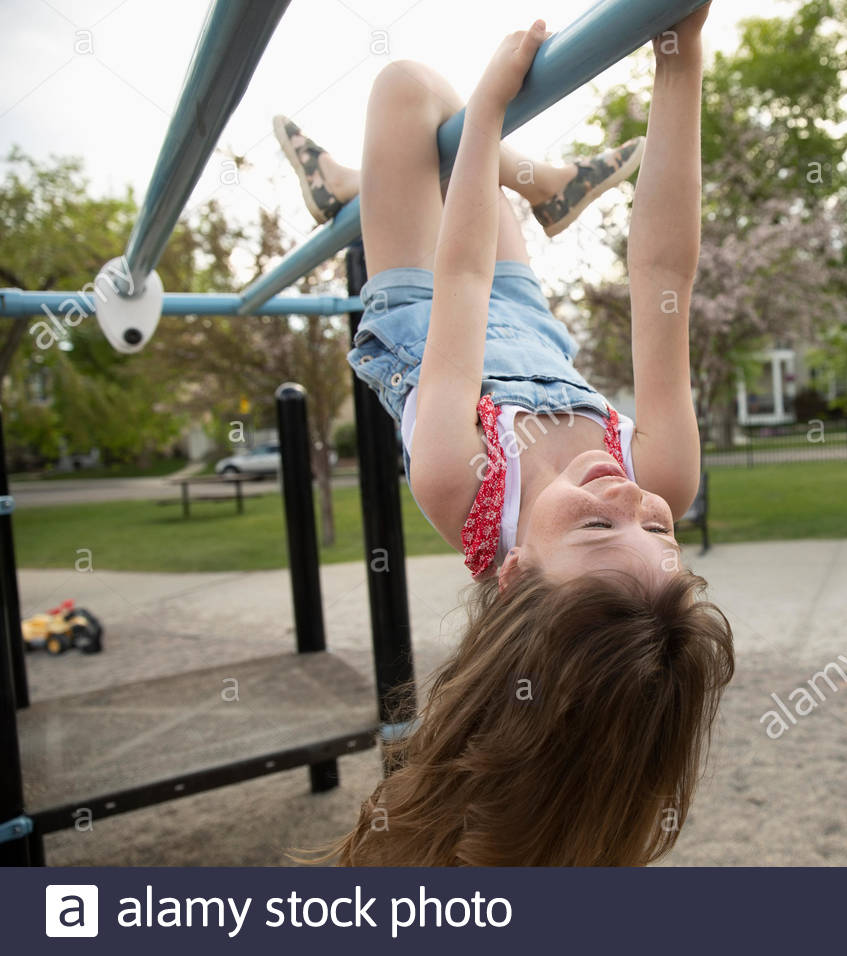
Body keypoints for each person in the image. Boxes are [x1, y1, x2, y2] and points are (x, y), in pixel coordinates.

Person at [292, 7, 734, 866]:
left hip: (425, 304)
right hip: (528, 316)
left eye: (598, 526)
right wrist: (680, 59)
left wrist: (490, 117)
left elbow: (458, 276)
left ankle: (396, 182)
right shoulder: (663, 472)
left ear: (519, 570)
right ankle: (406, 181)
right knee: (444, 142)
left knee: (412, 88)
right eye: (660, 532)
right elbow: (662, 273)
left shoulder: (460, 485)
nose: (633, 499)